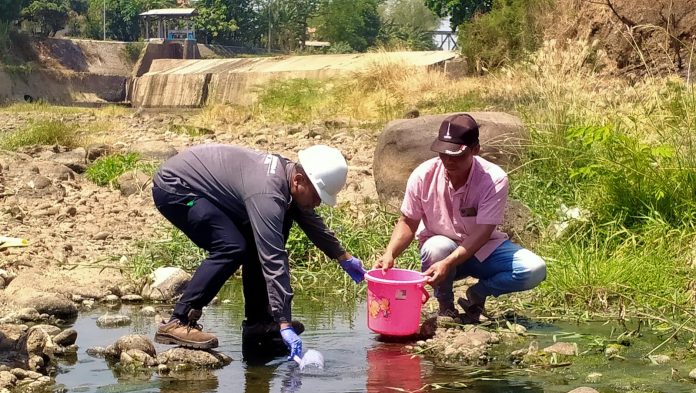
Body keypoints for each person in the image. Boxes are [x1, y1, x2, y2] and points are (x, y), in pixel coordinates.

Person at [151, 143, 366, 357]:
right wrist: (284, 322)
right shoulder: (267, 194)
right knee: (232, 247)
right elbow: (273, 259)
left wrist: (343, 257)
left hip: (205, 190)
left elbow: (309, 219)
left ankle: (258, 327)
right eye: (317, 196)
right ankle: (179, 321)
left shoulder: (288, 177)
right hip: (176, 189)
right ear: (299, 180)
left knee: (276, 226)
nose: (318, 203)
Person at [374, 113, 546, 322]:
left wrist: (448, 262)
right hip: (441, 252)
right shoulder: (423, 175)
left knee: (534, 269)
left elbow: (483, 232)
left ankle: (477, 294)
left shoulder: (493, 178)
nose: (448, 160)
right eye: (443, 154)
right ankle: (445, 306)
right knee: (436, 246)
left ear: (475, 150)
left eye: (456, 155)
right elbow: (408, 221)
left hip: (484, 250)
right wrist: (390, 253)